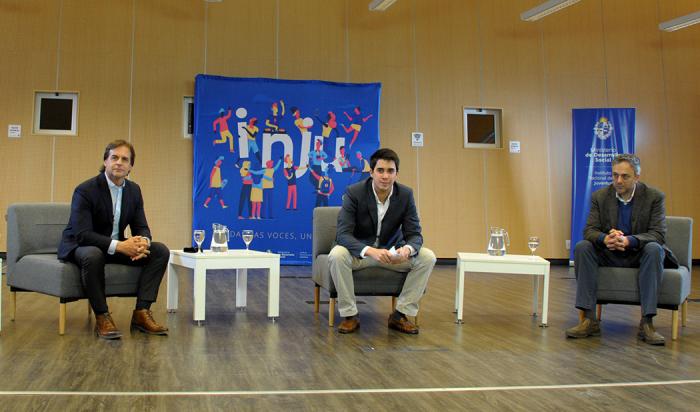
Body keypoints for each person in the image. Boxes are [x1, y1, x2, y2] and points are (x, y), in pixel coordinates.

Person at [58, 140, 169, 340]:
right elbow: (82, 234)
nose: (119, 162)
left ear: (130, 166)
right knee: (93, 254)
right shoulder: (85, 190)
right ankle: (102, 316)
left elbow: (141, 225)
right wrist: (120, 246)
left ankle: (141, 313)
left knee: (160, 250)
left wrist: (143, 242)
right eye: (114, 157)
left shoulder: (134, 190)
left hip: (114, 247)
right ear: (105, 161)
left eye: (124, 159)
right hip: (82, 245)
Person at [565, 154, 678, 345]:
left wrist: (629, 241)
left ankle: (647, 322)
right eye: (615, 175)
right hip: (610, 253)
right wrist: (605, 238)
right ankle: (590, 319)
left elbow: (658, 234)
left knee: (654, 249)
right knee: (583, 247)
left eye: (625, 176)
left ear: (637, 177)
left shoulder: (654, 197)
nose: (618, 181)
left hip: (639, 254)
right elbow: (589, 230)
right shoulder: (600, 196)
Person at [328, 148, 436, 334]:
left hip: (391, 255)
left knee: (427, 257)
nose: (385, 176)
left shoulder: (405, 195)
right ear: (371, 172)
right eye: (380, 170)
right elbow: (343, 235)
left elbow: (415, 234)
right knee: (337, 254)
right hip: (361, 254)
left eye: (390, 171)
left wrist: (407, 250)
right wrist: (370, 250)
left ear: (396, 174)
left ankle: (400, 314)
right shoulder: (355, 192)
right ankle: (350, 315)